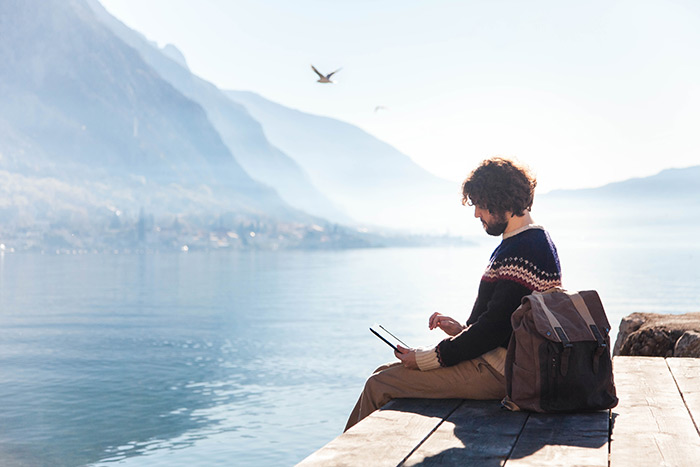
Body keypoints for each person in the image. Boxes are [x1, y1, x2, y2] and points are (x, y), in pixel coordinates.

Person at [344, 156, 562, 431]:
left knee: (379, 384)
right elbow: (501, 324)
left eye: (481, 205)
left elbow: (493, 330)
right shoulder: (521, 243)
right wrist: (459, 329)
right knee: (381, 374)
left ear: (503, 201)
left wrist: (427, 357)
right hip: (494, 363)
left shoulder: (526, 248)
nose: (476, 214)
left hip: (501, 373)